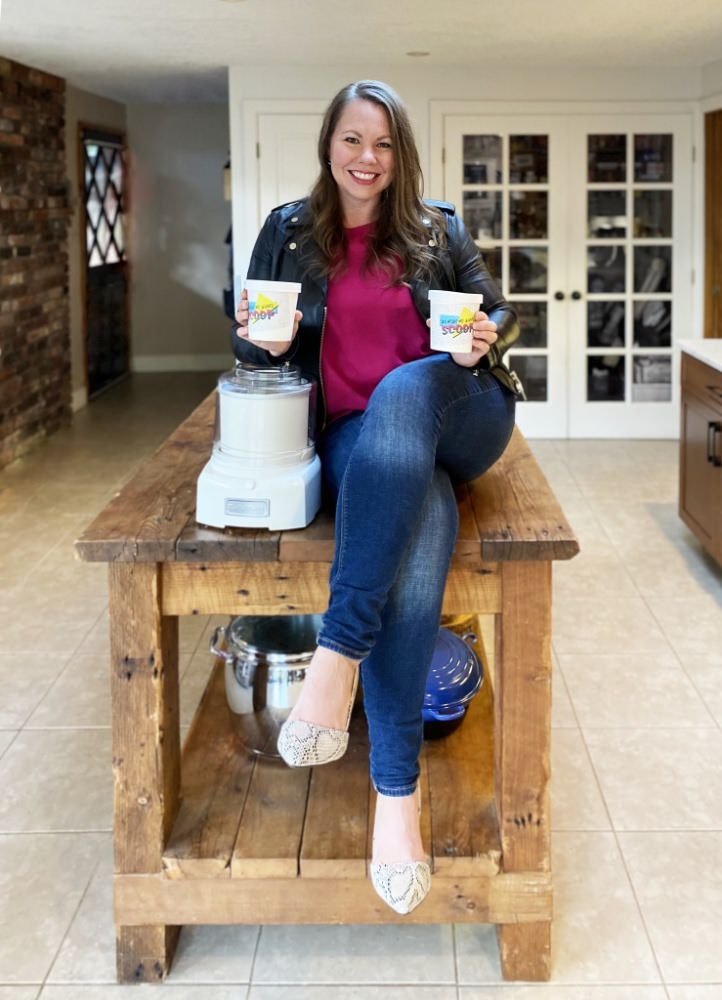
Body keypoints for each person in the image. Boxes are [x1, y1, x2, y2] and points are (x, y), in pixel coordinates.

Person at [231, 80, 522, 914]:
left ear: (401, 156)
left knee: (406, 394)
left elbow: (493, 312)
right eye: (354, 140)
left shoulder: (438, 228)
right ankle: (398, 798)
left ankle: (337, 654)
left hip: (460, 409)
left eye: (385, 144)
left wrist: (482, 333)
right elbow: (255, 343)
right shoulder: (288, 232)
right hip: (362, 438)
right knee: (420, 503)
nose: (369, 159)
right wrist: (264, 345)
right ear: (329, 145)